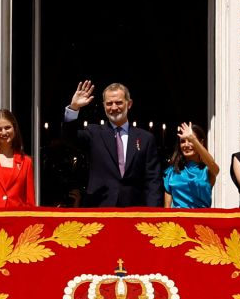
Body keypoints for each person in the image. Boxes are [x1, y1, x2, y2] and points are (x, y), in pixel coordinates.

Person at [63, 80, 164, 208]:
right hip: (100, 208)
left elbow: (152, 180)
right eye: (109, 103)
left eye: (119, 102)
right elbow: (68, 138)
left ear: (129, 104)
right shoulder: (94, 133)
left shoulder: (145, 138)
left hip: (134, 210)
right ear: (104, 105)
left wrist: (152, 213)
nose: (114, 107)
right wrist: (74, 108)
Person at [162, 121, 218, 209]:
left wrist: (194, 139)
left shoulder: (207, 170)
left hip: (201, 220)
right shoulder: (171, 171)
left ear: (201, 142)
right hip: (178, 220)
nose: (186, 145)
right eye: (183, 141)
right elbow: (167, 208)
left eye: (190, 141)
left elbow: (215, 168)